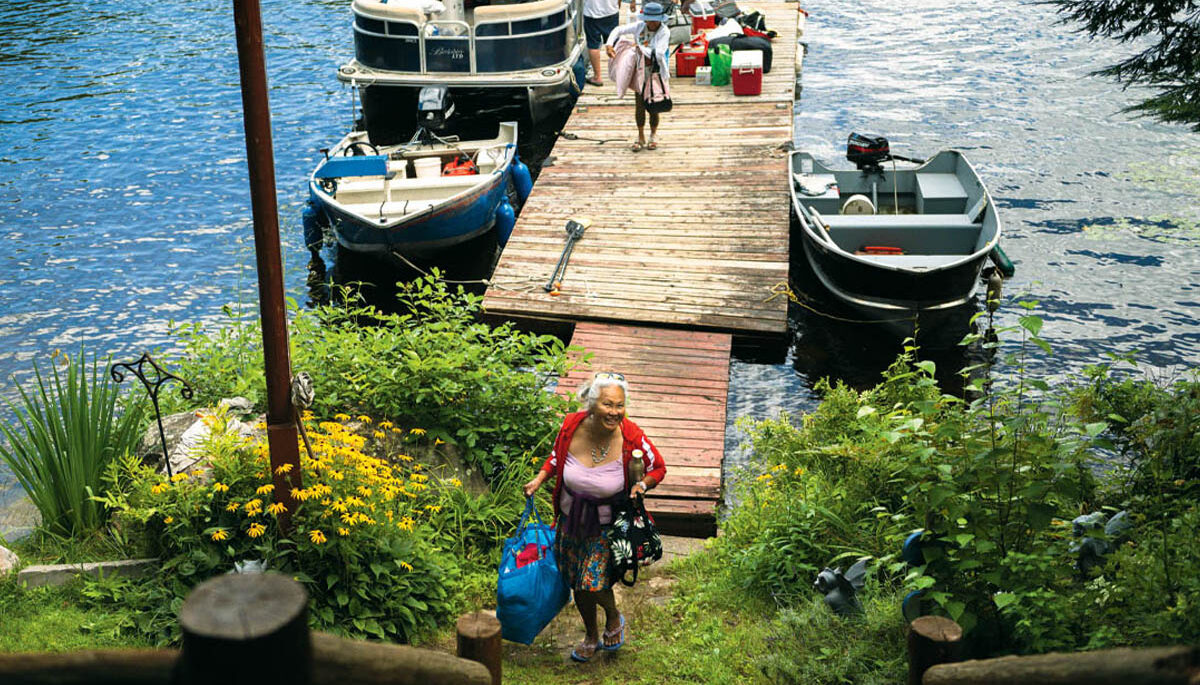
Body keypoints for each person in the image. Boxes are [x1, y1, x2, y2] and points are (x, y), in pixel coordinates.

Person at [523, 371, 667, 663]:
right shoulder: (571, 425)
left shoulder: (631, 436)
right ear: (591, 404)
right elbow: (556, 456)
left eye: (619, 405)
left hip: (607, 527)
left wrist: (642, 484)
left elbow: (658, 467)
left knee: (592, 582)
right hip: (570, 520)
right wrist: (540, 479)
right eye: (607, 405)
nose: (615, 412)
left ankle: (613, 617)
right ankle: (591, 635)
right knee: (578, 583)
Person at [605, 2, 671, 151]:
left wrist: (639, 48)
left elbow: (659, 53)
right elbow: (618, 29)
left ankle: (653, 135)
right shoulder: (640, 26)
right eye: (649, 19)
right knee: (639, 104)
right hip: (639, 70)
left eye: (655, 20)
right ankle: (640, 136)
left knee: (654, 104)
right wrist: (609, 44)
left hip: (656, 72)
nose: (652, 23)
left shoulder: (664, 31)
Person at [583, 0, 634, 87]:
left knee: (593, 45)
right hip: (611, 10)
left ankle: (597, 77)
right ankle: (620, 72)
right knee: (615, 42)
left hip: (592, 12)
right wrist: (618, 5)